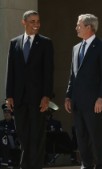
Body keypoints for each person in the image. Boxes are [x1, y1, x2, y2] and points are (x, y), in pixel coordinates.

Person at [5, 10, 54, 169]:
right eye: (32, 21)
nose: (36, 25)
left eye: (38, 21)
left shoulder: (46, 43)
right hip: (19, 99)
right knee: (23, 135)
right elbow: (10, 71)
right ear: (24, 22)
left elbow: (49, 72)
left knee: (37, 136)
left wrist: (46, 96)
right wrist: (9, 95)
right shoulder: (14, 43)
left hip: (38, 99)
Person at [64, 13, 102, 169]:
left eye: (79, 25)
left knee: (96, 136)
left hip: (94, 102)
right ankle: (86, 165)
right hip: (77, 102)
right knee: (81, 137)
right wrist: (68, 96)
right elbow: (73, 75)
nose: (76, 28)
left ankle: (101, 166)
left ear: (89, 27)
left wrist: (101, 97)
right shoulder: (75, 48)